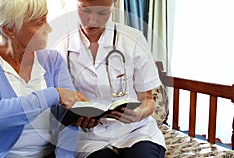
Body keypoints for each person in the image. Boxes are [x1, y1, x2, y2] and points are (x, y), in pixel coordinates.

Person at [0, 0, 87, 157]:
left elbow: (69, 120)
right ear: (9, 29)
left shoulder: (53, 60)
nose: (49, 28)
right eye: (39, 23)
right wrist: (54, 94)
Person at [52, 0, 166, 157]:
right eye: (85, 10)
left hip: (135, 131)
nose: (92, 20)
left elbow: (147, 99)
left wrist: (140, 113)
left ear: (115, 5)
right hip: (89, 136)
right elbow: (58, 102)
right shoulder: (61, 46)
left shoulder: (133, 39)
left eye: (102, 13)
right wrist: (75, 117)